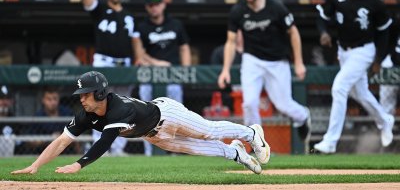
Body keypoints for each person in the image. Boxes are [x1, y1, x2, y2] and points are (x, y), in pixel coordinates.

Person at [11, 71, 270, 175]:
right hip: (152, 134)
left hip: (167, 114)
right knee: (197, 148)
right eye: (81, 95)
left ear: (100, 93)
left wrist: (79, 164)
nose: (82, 99)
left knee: (208, 132)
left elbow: (105, 143)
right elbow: (61, 141)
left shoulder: (118, 109)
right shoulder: (85, 114)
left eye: (87, 94)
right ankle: (235, 152)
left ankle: (250, 133)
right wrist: (35, 165)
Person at [217, 0, 311, 145]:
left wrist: (298, 62)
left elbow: (294, 32)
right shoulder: (238, 10)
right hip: (252, 60)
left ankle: (302, 116)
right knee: (249, 103)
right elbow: (230, 42)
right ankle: (256, 142)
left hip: (277, 60)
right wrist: (225, 70)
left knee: (283, 105)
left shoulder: (276, 7)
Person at [314, 0, 395, 154]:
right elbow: (322, 16)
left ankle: (330, 141)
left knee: (339, 87)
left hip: (364, 51)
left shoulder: (375, 3)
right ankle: (385, 119)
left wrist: (378, 59)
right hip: (344, 51)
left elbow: (385, 33)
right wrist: (324, 32)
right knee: (360, 94)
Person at [80, 0, 137, 156]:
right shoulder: (100, 10)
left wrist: (138, 58)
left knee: (122, 105)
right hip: (104, 61)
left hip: (125, 63)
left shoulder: (129, 15)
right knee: (98, 103)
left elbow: (135, 41)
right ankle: (99, 146)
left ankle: (118, 148)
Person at [133, 0, 191, 156]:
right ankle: (149, 152)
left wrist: (186, 69)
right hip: (150, 77)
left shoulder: (175, 24)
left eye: (157, 4)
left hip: (172, 76)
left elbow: (184, 47)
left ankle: (175, 150)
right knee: (146, 116)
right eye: (151, 5)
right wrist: (158, 63)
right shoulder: (142, 27)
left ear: (163, 4)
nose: (154, 7)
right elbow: (139, 55)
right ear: (147, 7)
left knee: (176, 115)